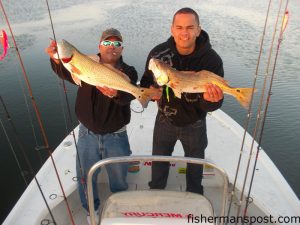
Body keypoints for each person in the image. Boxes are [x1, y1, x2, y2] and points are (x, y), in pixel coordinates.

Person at [46, 28, 137, 224]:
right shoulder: (85, 61)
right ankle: (91, 209)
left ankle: (119, 206)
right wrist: (55, 59)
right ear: (99, 45)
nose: (111, 48)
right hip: (86, 134)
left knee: (119, 176)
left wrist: (115, 94)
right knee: (85, 177)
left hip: (116, 135)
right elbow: (67, 71)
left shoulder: (128, 71)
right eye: (107, 43)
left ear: (122, 48)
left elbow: (129, 95)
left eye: (116, 44)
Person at [140, 8, 224, 195]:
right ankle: (156, 190)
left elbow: (215, 104)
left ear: (198, 30)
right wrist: (151, 92)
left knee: (195, 165)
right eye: (179, 27)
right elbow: (146, 82)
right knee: (158, 162)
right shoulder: (158, 54)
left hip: (195, 122)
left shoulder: (212, 60)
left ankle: (195, 194)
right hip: (164, 119)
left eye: (189, 27)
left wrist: (211, 101)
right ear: (172, 29)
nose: (184, 33)